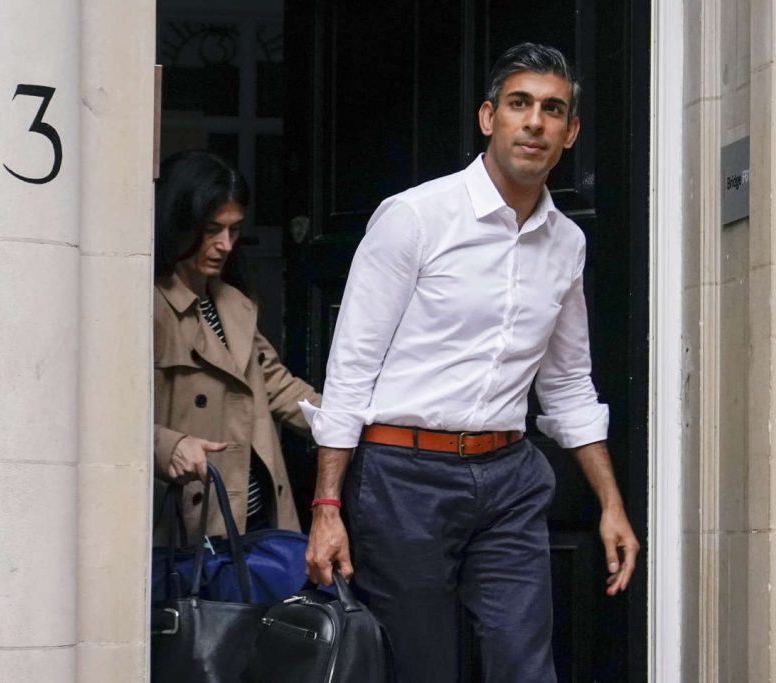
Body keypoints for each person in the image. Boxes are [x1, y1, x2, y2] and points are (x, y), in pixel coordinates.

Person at [303, 43, 639, 682]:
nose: (534, 122)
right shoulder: (415, 218)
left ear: (571, 133)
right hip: (404, 478)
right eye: (519, 104)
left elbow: (566, 383)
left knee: (525, 666)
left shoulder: (567, 243)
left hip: (509, 477)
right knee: (421, 668)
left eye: (552, 109)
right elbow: (350, 369)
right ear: (489, 118)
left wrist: (610, 504)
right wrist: (327, 506)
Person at [153, 150, 320, 539]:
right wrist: (168, 446)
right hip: (191, 524)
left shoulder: (233, 301)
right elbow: (107, 415)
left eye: (233, 230)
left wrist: (349, 425)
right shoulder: (147, 306)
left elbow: (278, 385)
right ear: (179, 222)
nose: (225, 244)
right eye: (212, 229)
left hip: (257, 516)